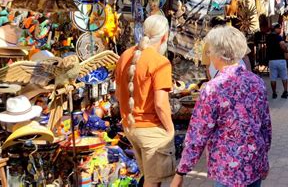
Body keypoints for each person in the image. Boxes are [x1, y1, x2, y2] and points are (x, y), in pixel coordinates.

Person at [170, 26, 271, 187]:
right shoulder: (256, 82)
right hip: (254, 163)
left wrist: (181, 171)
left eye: (209, 52)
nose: (208, 56)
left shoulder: (212, 89)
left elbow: (198, 134)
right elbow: (265, 126)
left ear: (220, 54)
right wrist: (263, 156)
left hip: (227, 170)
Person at [115, 15, 175, 186]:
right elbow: (160, 104)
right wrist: (170, 130)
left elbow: (119, 95)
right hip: (151, 131)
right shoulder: (160, 62)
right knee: (154, 181)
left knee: (148, 178)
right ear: (164, 36)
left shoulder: (125, 55)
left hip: (130, 126)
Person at [266, 23, 288, 99]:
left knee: (273, 78)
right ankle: (285, 92)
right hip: (280, 60)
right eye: (279, 28)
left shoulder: (268, 37)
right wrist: (286, 49)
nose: (280, 30)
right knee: (284, 76)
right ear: (276, 29)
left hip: (272, 60)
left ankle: (274, 93)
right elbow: (282, 45)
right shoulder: (278, 37)